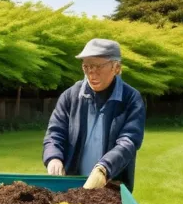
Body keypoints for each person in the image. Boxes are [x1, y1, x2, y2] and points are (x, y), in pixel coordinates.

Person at [43, 38, 146, 191]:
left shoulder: (131, 99)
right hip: (71, 187)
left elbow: (129, 141)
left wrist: (105, 168)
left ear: (116, 68)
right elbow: (55, 133)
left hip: (111, 186)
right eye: (87, 66)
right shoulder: (70, 96)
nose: (91, 72)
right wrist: (53, 158)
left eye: (98, 66)